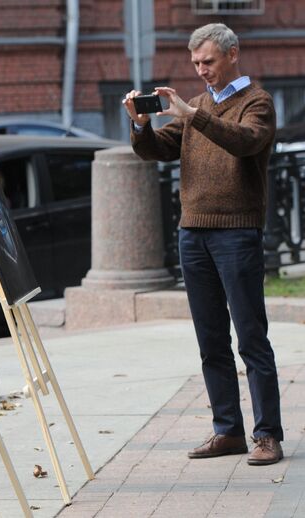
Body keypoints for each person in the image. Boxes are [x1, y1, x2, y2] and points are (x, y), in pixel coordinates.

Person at [123, 23, 283, 465]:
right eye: (196, 64)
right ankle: (227, 431)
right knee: (210, 340)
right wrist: (140, 127)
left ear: (233, 54)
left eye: (208, 62)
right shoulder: (196, 105)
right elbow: (159, 149)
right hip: (192, 232)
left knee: (251, 337)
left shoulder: (258, 102)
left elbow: (246, 142)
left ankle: (267, 434)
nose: (201, 72)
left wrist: (194, 116)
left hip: (237, 231)